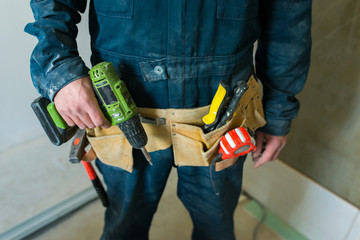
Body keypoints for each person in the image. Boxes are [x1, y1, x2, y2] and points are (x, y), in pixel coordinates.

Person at [25, 0, 312, 239]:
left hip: (221, 122)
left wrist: (277, 114)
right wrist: (60, 70)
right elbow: (53, 5)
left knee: (216, 227)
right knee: (124, 225)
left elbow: (288, 20)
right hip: (121, 113)